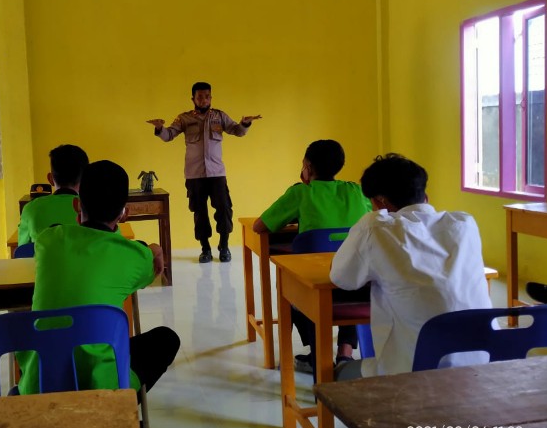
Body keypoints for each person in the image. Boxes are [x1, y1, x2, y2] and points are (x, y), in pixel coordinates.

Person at [18, 160, 180, 398]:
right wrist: (153, 248)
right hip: (101, 389)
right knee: (166, 339)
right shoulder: (134, 256)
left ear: (76, 204)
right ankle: (121, 404)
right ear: (124, 212)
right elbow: (150, 271)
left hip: (39, 383)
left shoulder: (48, 240)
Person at [331, 153, 492, 380]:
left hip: (413, 375)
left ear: (379, 202)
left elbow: (342, 279)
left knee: (339, 374)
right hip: (480, 368)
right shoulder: (464, 223)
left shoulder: (376, 228)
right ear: (425, 196)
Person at [252, 139, 371, 374]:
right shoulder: (355, 191)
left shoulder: (301, 192)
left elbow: (259, 226)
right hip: (355, 286)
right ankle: (345, 354)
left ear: (307, 166)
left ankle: (318, 355)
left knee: (291, 288)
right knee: (348, 278)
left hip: (313, 287)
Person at [147, 82, 260, 263]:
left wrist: (245, 123)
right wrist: (160, 128)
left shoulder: (219, 116)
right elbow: (169, 135)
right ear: (193, 98)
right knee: (200, 212)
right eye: (200, 97)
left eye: (207, 96)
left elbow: (237, 131)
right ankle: (205, 248)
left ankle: (224, 246)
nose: (204, 100)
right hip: (194, 175)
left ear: (211, 98)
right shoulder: (184, 118)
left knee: (224, 209)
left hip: (217, 173)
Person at [17, 144, 89, 246]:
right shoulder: (93, 209)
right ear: (86, 178)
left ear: (50, 178)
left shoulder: (30, 209)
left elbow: (22, 250)